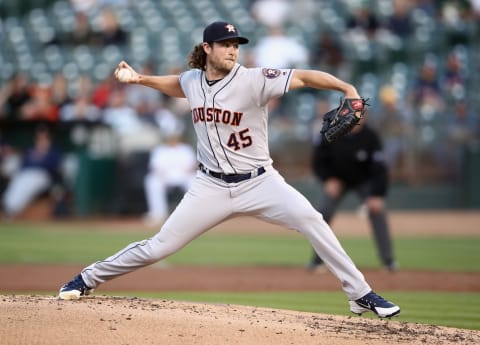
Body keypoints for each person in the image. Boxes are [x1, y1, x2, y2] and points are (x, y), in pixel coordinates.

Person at [58, 21, 400, 318]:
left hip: (261, 182)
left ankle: (360, 294)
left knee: (312, 220)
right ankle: (87, 278)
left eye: (236, 45)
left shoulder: (254, 79)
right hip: (210, 187)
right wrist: (139, 79)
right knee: (159, 247)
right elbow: (177, 84)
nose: (233, 50)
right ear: (207, 48)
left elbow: (305, 77)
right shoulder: (193, 80)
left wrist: (346, 88)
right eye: (225, 44)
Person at [307, 113, 397, 273]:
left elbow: (380, 169)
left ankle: (388, 261)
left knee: (378, 211)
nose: (357, 117)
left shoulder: (371, 137)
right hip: (337, 180)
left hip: (364, 181)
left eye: (361, 114)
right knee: (322, 214)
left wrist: (377, 194)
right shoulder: (331, 132)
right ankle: (316, 261)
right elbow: (318, 160)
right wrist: (328, 179)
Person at [2, 125, 62, 219]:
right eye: (39, 137)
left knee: (28, 186)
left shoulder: (53, 152)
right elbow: (23, 164)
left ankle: (13, 211)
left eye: (44, 137)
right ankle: (8, 208)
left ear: (49, 138)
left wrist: (41, 158)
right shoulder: (30, 150)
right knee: (16, 185)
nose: (41, 140)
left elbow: (53, 167)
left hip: (42, 175)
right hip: (25, 174)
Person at [143, 129, 196, 227]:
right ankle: (158, 214)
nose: (172, 139)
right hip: (165, 177)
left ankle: (193, 215)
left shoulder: (186, 149)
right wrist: (163, 174)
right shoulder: (160, 150)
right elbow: (155, 168)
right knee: (152, 181)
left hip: (183, 176)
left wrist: (185, 172)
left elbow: (192, 166)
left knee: (194, 181)